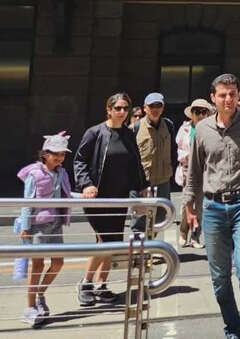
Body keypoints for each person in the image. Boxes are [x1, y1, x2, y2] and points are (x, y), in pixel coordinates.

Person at [183, 74, 240, 339]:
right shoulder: (202, 130)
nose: (228, 99)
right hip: (212, 208)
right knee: (220, 278)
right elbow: (195, 172)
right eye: (223, 94)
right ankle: (232, 328)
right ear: (213, 98)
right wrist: (189, 206)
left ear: (238, 96)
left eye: (232, 93)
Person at [74, 93, 147, 307]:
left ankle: (101, 285)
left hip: (119, 197)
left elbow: (135, 165)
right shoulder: (95, 133)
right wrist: (86, 184)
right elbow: (80, 160)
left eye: (125, 108)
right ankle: (85, 283)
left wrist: (141, 190)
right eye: (118, 108)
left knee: (112, 242)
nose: (122, 112)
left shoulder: (127, 134)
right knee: (104, 240)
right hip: (98, 197)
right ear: (109, 109)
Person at [16, 133, 73, 327]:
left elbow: (66, 194)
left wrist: (83, 194)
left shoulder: (61, 173)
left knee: (58, 262)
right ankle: (30, 306)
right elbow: (27, 201)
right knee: (37, 265)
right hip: (38, 225)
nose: (59, 157)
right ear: (45, 154)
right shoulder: (35, 173)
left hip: (56, 223)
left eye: (62, 154)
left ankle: (40, 293)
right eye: (55, 153)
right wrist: (25, 227)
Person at [131, 92, 174, 234]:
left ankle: (149, 249)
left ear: (163, 108)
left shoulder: (168, 125)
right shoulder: (134, 128)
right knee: (140, 220)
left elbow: (172, 150)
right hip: (142, 182)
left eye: (158, 106)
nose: (155, 109)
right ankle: (138, 252)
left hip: (163, 180)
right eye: (151, 106)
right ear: (145, 108)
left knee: (160, 217)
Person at [175, 98, 213, 249]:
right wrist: (190, 155)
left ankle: (195, 237)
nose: (201, 115)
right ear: (192, 113)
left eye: (204, 111)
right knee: (187, 204)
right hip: (188, 170)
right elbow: (179, 151)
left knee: (200, 207)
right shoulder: (184, 129)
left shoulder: (211, 128)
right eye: (197, 111)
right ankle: (183, 232)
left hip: (205, 171)